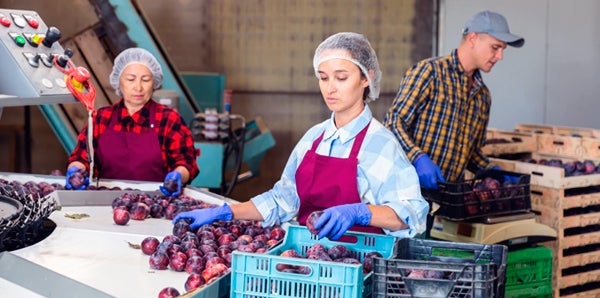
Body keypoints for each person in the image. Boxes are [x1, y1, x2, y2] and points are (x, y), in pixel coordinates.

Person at [173, 32, 429, 240]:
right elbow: (283, 199)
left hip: (358, 268)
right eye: (323, 77)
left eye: (341, 77)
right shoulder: (313, 138)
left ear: (366, 78)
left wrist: (360, 212)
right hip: (306, 262)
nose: (330, 88)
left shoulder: (381, 144)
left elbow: (412, 214)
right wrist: (225, 212)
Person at [384, 11, 525, 190]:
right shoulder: (430, 73)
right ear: (473, 38)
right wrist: (418, 158)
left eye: (502, 50)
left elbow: (470, 153)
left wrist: (491, 171)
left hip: (447, 200)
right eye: (495, 47)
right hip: (405, 193)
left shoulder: (482, 97)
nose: (500, 56)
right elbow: (393, 123)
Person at [66, 48, 199, 196]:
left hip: (156, 204)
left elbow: (186, 162)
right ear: (119, 82)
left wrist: (179, 175)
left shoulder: (168, 119)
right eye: (130, 79)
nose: (138, 87)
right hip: (104, 205)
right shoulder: (102, 118)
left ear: (154, 82)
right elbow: (81, 158)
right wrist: (75, 171)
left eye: (146, 80)